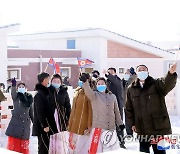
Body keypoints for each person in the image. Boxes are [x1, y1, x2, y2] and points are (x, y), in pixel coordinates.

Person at [126, 64, 177, 154]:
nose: (142, 71)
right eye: (140, 70)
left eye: (144, 70)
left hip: (156, 127)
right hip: (141, 128)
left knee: (159, 152)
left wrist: (170, 74)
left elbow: (166, 84)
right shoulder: (131, 89)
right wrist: (132, 124)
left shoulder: (156, 84)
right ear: (136, 73)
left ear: (148, 72)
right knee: (143, 151)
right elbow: (129, 109)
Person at [80, 74, 125, 153]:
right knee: (96, 150)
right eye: (99, 84)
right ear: (96, 85)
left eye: (102, 83)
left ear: (106, 85)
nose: (101, 85)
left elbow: (116, 112)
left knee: (110, 150)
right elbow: (87, 90)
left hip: (111, 128)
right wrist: (85, 82)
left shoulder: (112, 97)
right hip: (98, 128)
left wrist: (120, 123)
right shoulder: (94, 95)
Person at [32, 72, 58, 154]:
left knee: (46, 148)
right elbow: (40, 112)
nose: (49, 81)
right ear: (44, 80)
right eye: (48, 79)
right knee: (43, 148)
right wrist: (45, 125)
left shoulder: (44, 93)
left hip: (47, 126)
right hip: (43, 128)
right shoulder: (39, 94)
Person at [5, 78, 33, 154]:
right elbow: (13, 93)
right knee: (15, 145)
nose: (21, 88)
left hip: (26, 124)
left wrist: (35, 121)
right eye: (19, 87)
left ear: (26, 88)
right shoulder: (16, 96)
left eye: (22, 87)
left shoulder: (29, 98)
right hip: (16, 123)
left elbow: (31, 112)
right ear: (17, 89)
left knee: (24, 145)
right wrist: (13, 85)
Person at [68, 73, 93, 153]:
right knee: (72, 146)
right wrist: (70, 123)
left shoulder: (89, 92)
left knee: (82, 147)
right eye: (80, 80)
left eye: (82, 80)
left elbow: (91, 110)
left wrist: (89, 125)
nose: (80, 82)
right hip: (74, 123)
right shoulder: (77, 91)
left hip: (83, 125)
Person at [48, 74, 71, 153]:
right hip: (50, 117)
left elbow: (68, 105)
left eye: (58, 81)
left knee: (61, 137)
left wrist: (69, 118)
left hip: (61, 117)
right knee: (51, 137)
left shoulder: (64, 91)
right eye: (54, 81)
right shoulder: (47, 91)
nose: (56, 83)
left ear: (61, 82)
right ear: (51, 82)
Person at [103, 67, 125, 148]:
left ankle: (121, 142)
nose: (109, 74)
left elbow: (114, 81)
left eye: (111, 72)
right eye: (109, 72)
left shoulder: (118, 80)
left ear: (115, 73)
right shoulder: (107, 82)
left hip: (118, 106)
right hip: (108, 106)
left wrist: (108, 75)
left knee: (119, 124)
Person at [122, 67, 137, 137]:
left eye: (127, 73)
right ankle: (129, 133)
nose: (126, 74)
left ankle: (138, 132)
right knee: (128, 119)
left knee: (136, 118)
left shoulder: (134, 79)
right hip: (126, 102)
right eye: (125, 73)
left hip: (134, 103)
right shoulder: (125, 80)